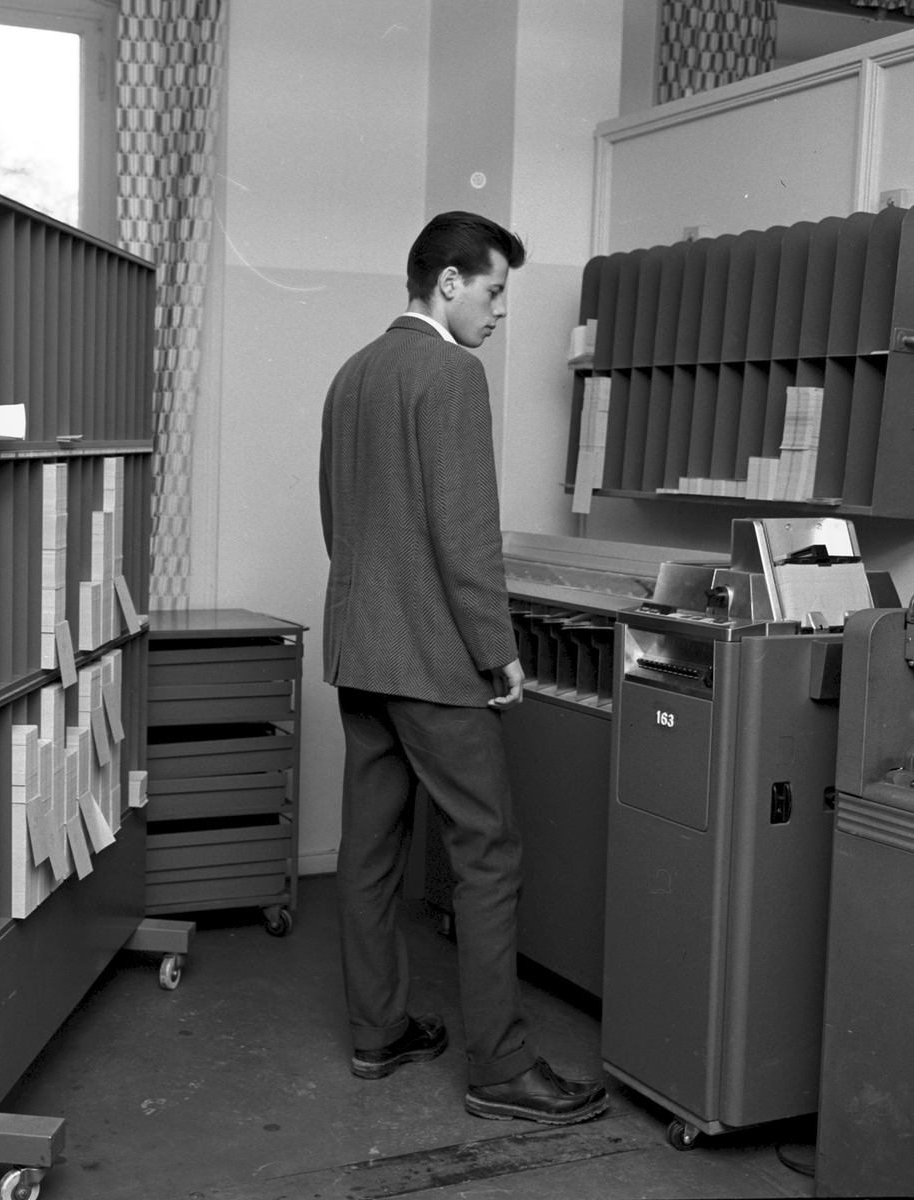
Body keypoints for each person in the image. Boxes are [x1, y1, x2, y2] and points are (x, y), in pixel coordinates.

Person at [318, 211, 608, 1124]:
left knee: (370, 852)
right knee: (487, 854)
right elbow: (465, 534)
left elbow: (338, 521)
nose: (499, 309)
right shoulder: (448, 373)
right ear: (448, 282)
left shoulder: (354, 371)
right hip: (433, 664)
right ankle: (501, 1066)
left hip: (360, 654)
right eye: (493, 289)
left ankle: (377, 1031)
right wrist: (498, 651)